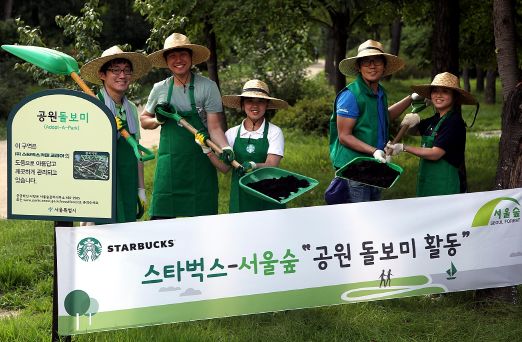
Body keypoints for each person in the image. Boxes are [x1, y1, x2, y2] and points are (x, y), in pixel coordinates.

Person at [140, 33, 233, 219]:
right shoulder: (160, 89)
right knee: (162, 219)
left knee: (203, 221)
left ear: (191, 58)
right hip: (170, 165)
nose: (178, 60)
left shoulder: (208, 87)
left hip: (201, 160)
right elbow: (144, 120)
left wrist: (225, 147)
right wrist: (158, 120)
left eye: (183, 54)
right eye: (172, 56)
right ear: (166, 61)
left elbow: (214, 127)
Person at [327, 39, 414, 204]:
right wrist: (374, 150)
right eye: (367, 62)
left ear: (384, 66)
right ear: (359, 67)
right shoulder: (351, 95)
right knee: (360, 219)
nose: (372, 66)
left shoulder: (380, 92)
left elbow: (383, 117)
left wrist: (410, 99)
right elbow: (344, 136)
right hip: (354, 169)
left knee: (372, 215)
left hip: (375, 165)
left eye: (377, 61)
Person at [80, 45, 151, 222]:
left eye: (127, 70)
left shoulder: (132, 109)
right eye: (115, 70)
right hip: (101, 184)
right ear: (102, 75)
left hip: (127, 180)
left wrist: (141, 189)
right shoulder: (92, 107)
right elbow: (84, 155)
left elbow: (137, 153)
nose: (122, 75)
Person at [196, 79, 288, 213]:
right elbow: (224, 168)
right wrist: (207, 150)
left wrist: (254, 165)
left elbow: (272, 165)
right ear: (242, 104)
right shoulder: (232, 133)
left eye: (260, 101)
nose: (254, 106)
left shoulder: (274, 132)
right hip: (241, 195)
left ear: (267, 105)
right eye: (249, 101)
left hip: (269, 194)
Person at [386, 72, 478, 197]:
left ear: (455, 96)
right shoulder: (435, 119)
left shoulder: (453, 122)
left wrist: (403, 147)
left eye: (445, 91)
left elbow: (435, 154)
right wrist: (410, 122)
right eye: (435, 91)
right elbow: (413, 131)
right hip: (428, 182)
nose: (439, 95)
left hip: (445, 186)